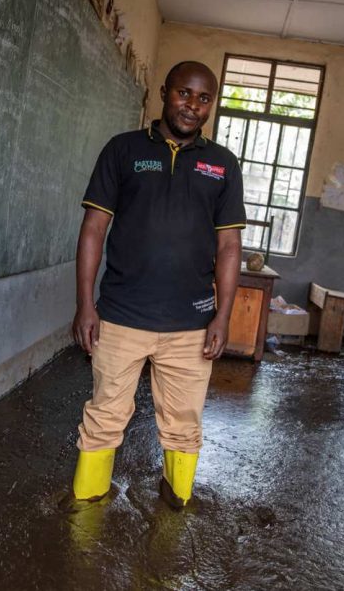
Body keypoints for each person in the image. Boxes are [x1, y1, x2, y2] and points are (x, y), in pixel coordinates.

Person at [70, 61, 245, 509]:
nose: (192, 105)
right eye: (184, 93)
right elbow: (94, 229)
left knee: (184, 426)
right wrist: (85, 305)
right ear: (164, 93)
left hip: (191, 323)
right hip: (122, 316)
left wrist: (222, 316)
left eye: (204, 98)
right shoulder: (123, 150)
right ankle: (86, 514)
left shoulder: (222, 165)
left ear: (211, 105)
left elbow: (228, 247)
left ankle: (173, 514)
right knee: (104, 417)